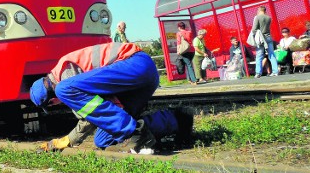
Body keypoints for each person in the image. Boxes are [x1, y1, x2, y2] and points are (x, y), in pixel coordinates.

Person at [29, 42, 190, 155]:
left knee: (65, 90)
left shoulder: (64, 78)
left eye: (53, 104)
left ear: (50, 100)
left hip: (136, 64)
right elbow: (98, 110)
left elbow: (91, 113)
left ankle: (135, 132)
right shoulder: (64, 74)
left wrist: (67, 140)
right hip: (140, 77)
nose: (58, 103)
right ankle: (177, 120)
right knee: (103, 140)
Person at [251, 6, 278, 78]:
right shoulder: (268, 18)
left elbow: (254, 29)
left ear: (259, 10)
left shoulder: (257, 17)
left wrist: (253, 37)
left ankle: (258, 73)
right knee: (271, 55)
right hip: (268, 37)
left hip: (261, 39)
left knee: (259, 56)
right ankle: (275, 71)